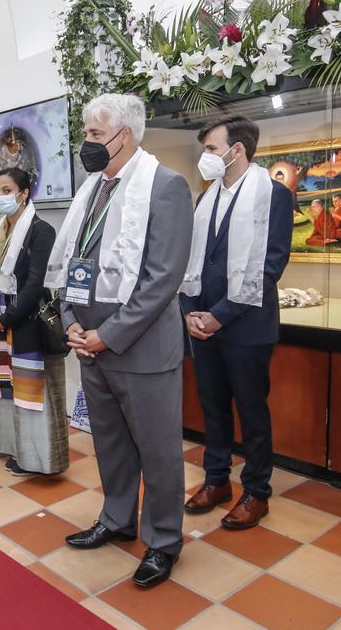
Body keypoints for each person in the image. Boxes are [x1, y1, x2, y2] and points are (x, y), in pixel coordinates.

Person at [49, 93, 193, 588]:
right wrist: (71, 318)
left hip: (140, 345)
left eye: (93, 135)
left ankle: (164, 538)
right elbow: (73, 263)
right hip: (90, 342)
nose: (85, 144)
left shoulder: (166, 186)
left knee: (158, 450)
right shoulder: (92, 189)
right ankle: (116, 519)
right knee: (109, 442)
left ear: (123, 135)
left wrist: (106, 336)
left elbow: (162, 278)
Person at [179, 116, 293, 530]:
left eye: (210, 149)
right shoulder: (205, 198)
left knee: (251, 411)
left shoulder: (273, 196)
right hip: (202, 323)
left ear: (237, 149)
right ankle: (216, 480)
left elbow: (271, 264)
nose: (205, 157)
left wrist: (220, 315)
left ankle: (257, 491)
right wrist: (191, 311)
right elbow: (193, 261)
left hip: (245, 325)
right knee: (212, 408)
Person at [0, 167, 68, 477]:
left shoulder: (41, 229)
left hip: (26, 319)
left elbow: (35, 283)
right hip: (2, 319)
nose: (1, 196)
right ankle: (16, 446)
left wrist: (7, 317)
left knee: (34, 391)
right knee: (7, 387)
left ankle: (40, 459)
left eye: (7, 190)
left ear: (23, 193)